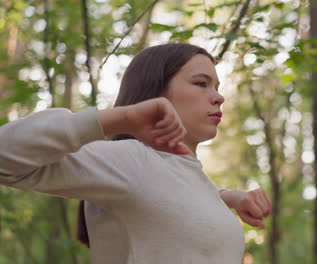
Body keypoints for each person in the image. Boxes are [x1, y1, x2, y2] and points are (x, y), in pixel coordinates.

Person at [0, 43, 272, 263]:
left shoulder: (182, 174)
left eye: (217, 87)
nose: (218, 97)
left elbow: (166, 200)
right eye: (201, 84)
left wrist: (226, 198)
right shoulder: (130, 160)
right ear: (155, 92)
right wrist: (120, 118)